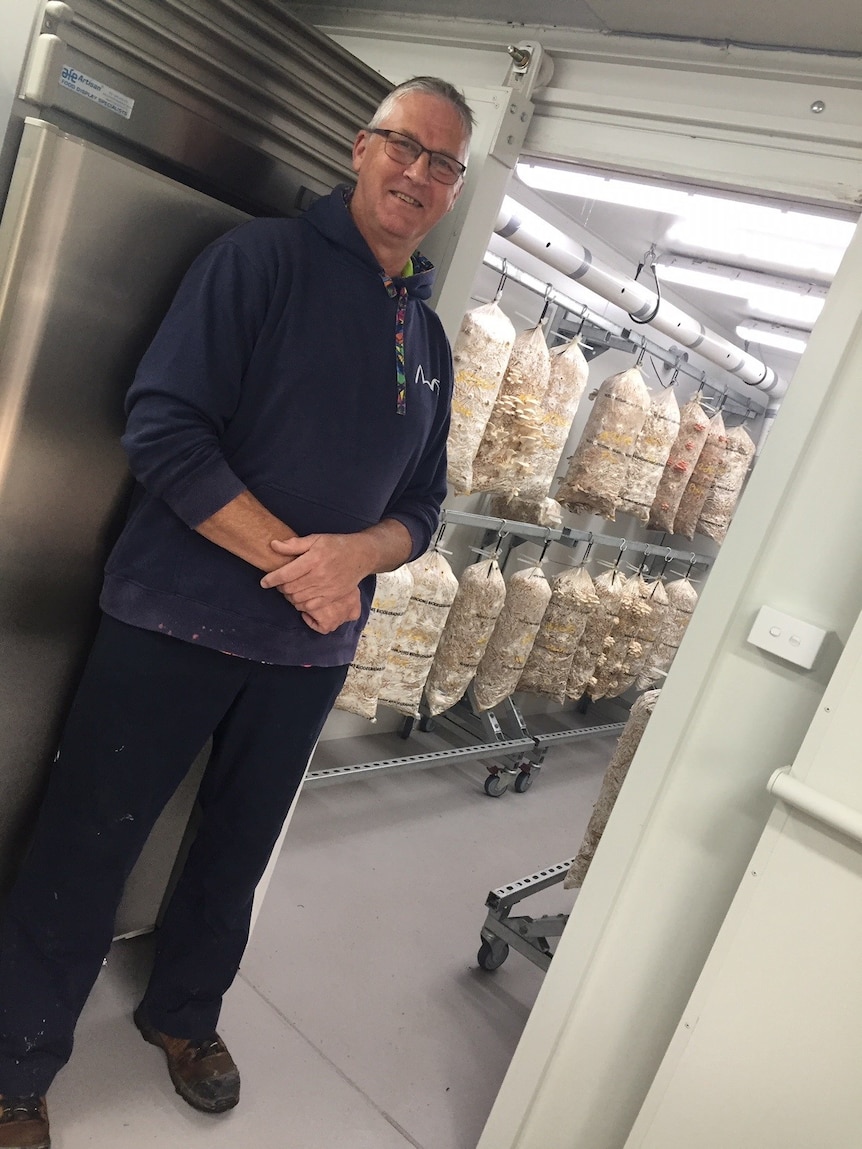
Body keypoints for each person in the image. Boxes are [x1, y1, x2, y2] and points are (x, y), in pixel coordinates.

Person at [0, 75, 474, 1149]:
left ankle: (184, 1016)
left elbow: (425, 507)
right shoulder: (258, 263)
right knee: (91, 844)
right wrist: (299, 565)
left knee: (235, 851)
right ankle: (15, 1062)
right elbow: (165, 429)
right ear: (361, 149)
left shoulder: (427, 340)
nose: (417, 173)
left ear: (450, 190)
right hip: (171, 620)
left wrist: (358, 556)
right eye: (403, 146)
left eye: (442, 162)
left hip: (306, 655)